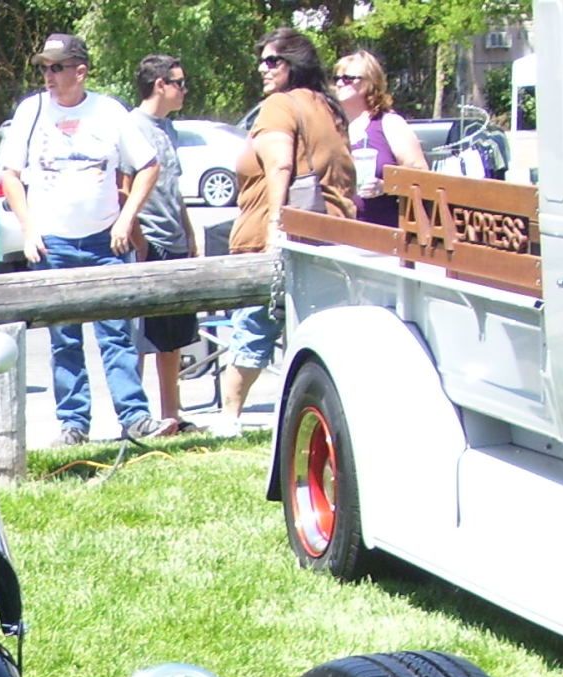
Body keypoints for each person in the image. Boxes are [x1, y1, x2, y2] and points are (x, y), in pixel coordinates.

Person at [0, 33, 171, 445]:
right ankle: (73, 423)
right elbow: (9, 175)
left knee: (117, 334)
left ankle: (134, 417)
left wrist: (125, 220)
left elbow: (148, 166)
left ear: (80, 71)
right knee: (64, 339)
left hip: (103, 243)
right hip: (53, 243)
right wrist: (29, 228)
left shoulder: (108, 111)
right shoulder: (31, 111)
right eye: (44, 68)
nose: (49, 76)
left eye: (57, 67)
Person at [217, 27, 356, 436]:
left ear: (295, 63)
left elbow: (279, 165)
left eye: (272, 60)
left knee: (253, 330)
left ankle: (229, 419)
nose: (263, 67)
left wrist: (277, 225)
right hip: (329, 239)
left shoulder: (279, 105)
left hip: (274, 242)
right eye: (260, 59)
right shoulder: (328, 107)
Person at [123, 54, 199, 434]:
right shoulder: (131, 127)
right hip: (147, 241)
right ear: (160, 86)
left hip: (175, 239)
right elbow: (124, 189)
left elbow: (175, 188)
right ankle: (136, 418)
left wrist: (189, 232)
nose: (184, 90)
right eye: (179, 83)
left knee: (174, 337)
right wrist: (138, 239)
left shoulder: (170, 128)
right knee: (140, 336)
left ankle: (172, 415)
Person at [334, 49, 428, 227]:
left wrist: (386, 186)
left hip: (381, 236)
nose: (339, 83)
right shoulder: (332, 127)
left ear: (369, 83)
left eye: (347, 78)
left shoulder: (389, 124)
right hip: (338, 233)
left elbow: (422, 177)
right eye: (336, 78)